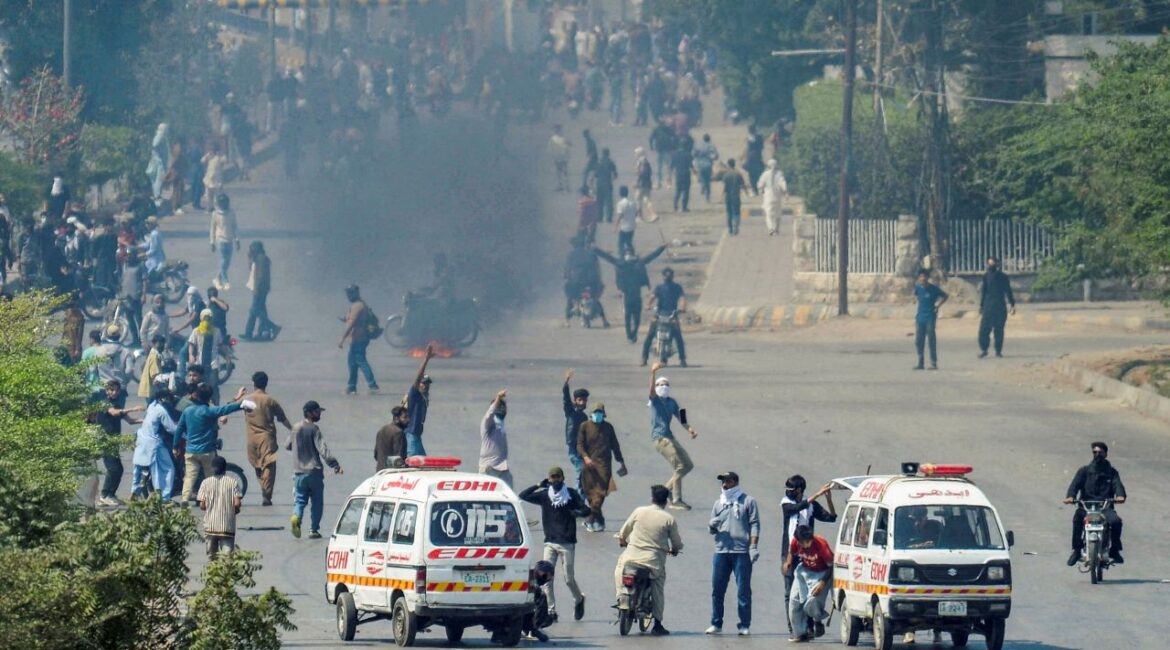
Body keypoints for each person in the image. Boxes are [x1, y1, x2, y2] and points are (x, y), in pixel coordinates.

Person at [519, 467, 591, 623]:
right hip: (550, 542)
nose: (555, 480)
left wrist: (578, 513)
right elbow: (523, 495)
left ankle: (579, 599)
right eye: (552, 478)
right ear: (548, 479)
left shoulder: (571, 494)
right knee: (545, 579)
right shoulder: (545, 496)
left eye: (558, 477)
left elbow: (587, 510)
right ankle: (551, 611)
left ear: (563, 478)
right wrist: (538, 485)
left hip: (567, 543)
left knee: (569, 579)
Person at [614, 484, 683, 636]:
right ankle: (657, 623)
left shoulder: (639, 511)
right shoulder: (668, 519)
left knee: (620, 568)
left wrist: (622, 540)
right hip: (653, 562)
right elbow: (676, 543)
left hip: (631, 557)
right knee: (658, 587)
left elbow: (624, 532)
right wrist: (676, 550)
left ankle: (620, 597)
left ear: (652, 498)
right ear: (665, 501)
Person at [705, 471, 760, 636]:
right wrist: (711, 525)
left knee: (743, 590)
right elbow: (711, 529)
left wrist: (753, 546)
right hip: (721, 551)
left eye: (727, 481)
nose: (724, 485)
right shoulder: (718, 503)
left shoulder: (748, 501)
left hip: (741, 551)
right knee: (717, 589)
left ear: (735, 482)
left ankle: (744, 624)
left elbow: (755, 524)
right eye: (722, 481)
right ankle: (716, 623)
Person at [780, 475, 837, 633]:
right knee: (789, 592)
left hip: (808, 551)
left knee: (809, 591)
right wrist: (817, 494)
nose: (788, 492)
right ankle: (794, 627)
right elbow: (796, 508)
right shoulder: (786, 504)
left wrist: (828, 499)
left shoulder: (812, 506)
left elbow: (831, 518)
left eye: (791, 489)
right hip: (790, 551)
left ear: (799, 490)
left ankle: (810, 625)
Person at [176, 383, 250, 503]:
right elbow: (226, 409)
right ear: (209, 397)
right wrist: (241, 405)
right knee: (211, 477)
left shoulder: (188, 411)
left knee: (189, 477)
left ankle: (184, 499)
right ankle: (212, 500)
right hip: (207, 451)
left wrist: (175, 446)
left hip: (190, 451)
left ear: (197, 396)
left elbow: (179, 429)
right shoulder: (210, 411)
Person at [287, 400, 343, 539]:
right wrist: (335, 465)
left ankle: (296, 517)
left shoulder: (295, 427)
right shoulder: (314, 429)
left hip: (299, 472)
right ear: (310, 413)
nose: (319, 414)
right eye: (317, 412)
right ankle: (313, 530)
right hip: (314, 472)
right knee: (317, 502)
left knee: (300, 501)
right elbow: (323, 450)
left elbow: (287, 445)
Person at [1064, 441, 1126, 565]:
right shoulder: (1084, 471)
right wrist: (1070, 497)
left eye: (1100, 452)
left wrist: (1120, 496)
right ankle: (1076, 551)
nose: (1097, 455)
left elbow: (1118, 486)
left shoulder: (1112, 472)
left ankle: (1114, 550)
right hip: (1086, 507)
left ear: (1106, 454)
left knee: (1116, 522)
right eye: (1095, 452)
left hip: (1105, 507)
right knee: (1077, 520)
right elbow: (1074, 486)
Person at [647, 363, 697, 510]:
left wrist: (690, 429)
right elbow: (650, 390)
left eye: (666, 384)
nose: (664, 386)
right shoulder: (655, 401)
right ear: (656, 387)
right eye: (661, 384)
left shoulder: (672, 402)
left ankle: (670, 494)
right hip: (660, 438)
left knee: (688, 465)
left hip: (670, 437)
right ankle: (673, 497)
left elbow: (682, 417)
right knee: (680, 467)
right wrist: (653, 372)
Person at [596, 244, 667, 343]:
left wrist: (595, 249)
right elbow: (652, 256)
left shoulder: (620, 263)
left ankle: (630, 336)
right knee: (636, 317)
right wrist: (662, 248)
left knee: (628, 317)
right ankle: (632, 334)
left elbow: (607, 257)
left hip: (627, 296)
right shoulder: (639, 263)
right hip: (636, 295)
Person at [243, 371, 293, 506]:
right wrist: (293, 430)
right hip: (267, 438)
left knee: (257, 464)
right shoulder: (270, 400)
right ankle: (267, 493)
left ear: (254, 384)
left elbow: (231, 406)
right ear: (266, 384)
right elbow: (282, 419)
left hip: (251, 438)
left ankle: (264, 489)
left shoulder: (247, 400)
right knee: (269, 465)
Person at [576, 402, 628, 532]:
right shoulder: (584, 426)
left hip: (604, 467)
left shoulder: (608, 427)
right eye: (595, 413)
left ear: (603, 414)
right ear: (591, 414)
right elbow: (579, 445)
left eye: (600, 413)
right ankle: (597, 519)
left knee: (600, 495)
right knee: (590, 494)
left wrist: (621, 462)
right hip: (588, 467)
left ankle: (591, 519)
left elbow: (615, 446)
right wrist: (586, 457)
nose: (597, 415)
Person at [94, 379, 144, 507]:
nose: (114, 392)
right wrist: (133, 408)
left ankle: (111, 494)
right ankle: (104, 495)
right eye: (111, 390)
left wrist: (146, 420)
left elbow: (131, 421)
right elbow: (114, 413)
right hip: (106, 441)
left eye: (116, 390)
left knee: (119, 469)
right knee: (113, 468)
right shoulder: (104, 403)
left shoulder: (117, 405)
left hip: (114, 441)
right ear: (106, 391)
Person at [783, 525, 834, 643]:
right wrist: (788, 563)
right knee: (794, 601)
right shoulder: (796, 541)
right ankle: (800, 633)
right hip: (804, 571)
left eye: (808, 542)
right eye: (804, 543)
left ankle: (817, 620)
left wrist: (823, 583)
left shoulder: (821, 545)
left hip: (822, 574)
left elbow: (832, 566)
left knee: (812, 601)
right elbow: (791, 552)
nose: (806, 545)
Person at [131, 388, 180, 502]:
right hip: (154, 444)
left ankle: (135, 491)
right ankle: (163, 497)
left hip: (141, 440)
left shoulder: (151, 406)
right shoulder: (161, 410)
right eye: (168, 399)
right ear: (163, 399)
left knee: (137, 469)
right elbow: (171, 428)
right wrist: (186, 433)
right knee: (166, 469)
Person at [198, 455, 243, 558]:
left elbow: (202, 505)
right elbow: (237, 503)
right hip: (227, 526)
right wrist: (234, 510)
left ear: (213, 468)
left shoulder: (205, 483)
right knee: (227, 559)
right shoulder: (233, 482)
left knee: (212, 558)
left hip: (210, 526)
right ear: (225, 468)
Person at [641, 267, 688, 366]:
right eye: (666, 275)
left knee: (678, 338)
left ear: (672, 276)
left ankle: (682, 359)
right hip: (659, 314)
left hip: (672, 315)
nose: (668, 277)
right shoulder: (659, 287)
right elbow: (653, 297)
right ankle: (644, 358)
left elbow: (682, 298)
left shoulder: (677, 287)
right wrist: (648, 305)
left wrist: (682, 308)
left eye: (669, 275)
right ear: (663, 276)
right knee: (649, 336)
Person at [338, 284, 379, 395]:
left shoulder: (357, 306)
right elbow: (351, 319)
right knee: (352, 362)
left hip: (359, 339)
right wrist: (344, 318)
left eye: (350, 293)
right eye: (347, 293)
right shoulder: (360, 305)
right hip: (359, 339)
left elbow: (352, 323)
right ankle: (351, 386)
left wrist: (342, 339)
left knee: (360, 360)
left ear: (355, 293)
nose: (348, 296)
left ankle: (372, 385)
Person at [978, 256, 1016, 358]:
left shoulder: (1003, 277)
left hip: (1000, 306)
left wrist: (1012, 304)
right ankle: (984, 349)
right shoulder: (985, 276)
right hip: (988, 306)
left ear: (997, 264)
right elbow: (984, 292)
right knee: (984, 329)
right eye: (989, 264)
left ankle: (998, 351)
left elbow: (1008, 291)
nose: (991, 266)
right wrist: (981, 306)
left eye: (993, 264)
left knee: (999, 330)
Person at [243, 241, 280, 340]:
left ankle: (272, 327)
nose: (251, 250)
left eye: (252, 248)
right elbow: (251, 269)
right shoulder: (256, 258)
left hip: (260, 289)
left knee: (254, 311)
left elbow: (261, 276)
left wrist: (257, 289)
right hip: (256, 288)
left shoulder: (262, 259)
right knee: (260, 311)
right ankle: (261, 332)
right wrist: (249, 258)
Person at [402, 344, 434, 457]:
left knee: (424, 463)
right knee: (414, 462)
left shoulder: (424, 397)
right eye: (423, 383)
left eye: (427, 384)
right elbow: (417, 378)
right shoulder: (415, 394)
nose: (425, 386)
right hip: (411, 434)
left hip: (416, 435)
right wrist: (426, 359)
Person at [913, 270, 949, 370]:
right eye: (921, 277)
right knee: (919, 341)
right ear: (918, 278)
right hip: (920, 317)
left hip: (930, 317)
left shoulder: (933, 289)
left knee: (931, 340)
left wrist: (938, 305)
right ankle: (920, 363)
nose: (922, 279)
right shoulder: (917, 288)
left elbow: (945, 296)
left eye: (924, 277)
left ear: (927, 278)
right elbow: (916, 295)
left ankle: (933, 363)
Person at [186, 309, 224, 402]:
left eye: (209, 318)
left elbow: (220, 345)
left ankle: (215, 404)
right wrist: (191, 355)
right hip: (200, 363)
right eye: (205, 318)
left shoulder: (216, 331)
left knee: (213, 386)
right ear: (201, 319)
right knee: (198, 385)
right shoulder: (196, 331)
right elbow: (191, 344)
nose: (207, 321)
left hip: (213, 364)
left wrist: (227, 356)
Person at [561, 369, 589, 485]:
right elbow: (566, 399)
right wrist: (566, 383)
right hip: (574, 448)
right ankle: (579, 496)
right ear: (575, 401)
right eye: (580, 400)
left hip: (582, 449)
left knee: (585, 473)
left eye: (584, 400)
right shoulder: (571, 411)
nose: (582, 402)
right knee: (581, 472)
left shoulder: (584, 416)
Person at [479, 390, 511, 486]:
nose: (501, 408)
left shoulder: (501, 424)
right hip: (489, 469)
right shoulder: (488, 422)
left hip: (503, 469)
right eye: (499, 406)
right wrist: (498, 397)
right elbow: (491, 412)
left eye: (503, 406)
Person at [209, 192, 239, 290]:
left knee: (227, 262)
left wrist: (237, 240)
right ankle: (225, 281)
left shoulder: (231, 213)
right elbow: (212, 229)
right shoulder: (215, 214)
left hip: (229, 240)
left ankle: (217, 278)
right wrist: (212, 242)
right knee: (223, 261)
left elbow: (234, 227)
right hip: (220, 240)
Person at [757, 159, 787, 236]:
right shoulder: (780, 174)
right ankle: (776, 229)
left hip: (768, 196)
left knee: (768, 214)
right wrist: (785, 192)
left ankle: (771, 228)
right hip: (777, 196)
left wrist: (760, 191)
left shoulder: (765, 174)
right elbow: (783, 183)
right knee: (778, 213)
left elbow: (760, 185)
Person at [375, 405, 409, 470]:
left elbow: (376, 455)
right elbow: (398, 458)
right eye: (405, 417)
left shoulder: (381, 430)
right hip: (391, 472)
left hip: (380, 470)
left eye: (408, 417)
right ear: (396, 419)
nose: (408, 420)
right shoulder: (399, 433)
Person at [720, 159, 747, 236]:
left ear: (728, 165)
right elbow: (743, 185)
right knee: (737, 212)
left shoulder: (726, 175)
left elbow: (724, 187)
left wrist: (721, 197)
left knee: (729, 213)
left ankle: (730, 229)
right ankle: (736, 227)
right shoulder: (738, 174)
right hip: (736, 196)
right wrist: (746, 193)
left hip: (728, 197)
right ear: (734, 164)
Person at [649, 119, 676, 189]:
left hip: (665, 150)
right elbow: (651, 138)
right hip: (660, 150)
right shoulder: (658, 130)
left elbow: (675, 137)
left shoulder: (666, 129)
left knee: (667, 167)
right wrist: (651, 147)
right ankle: (660, 183)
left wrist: (673, 147)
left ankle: (666, 183)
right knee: (660, 168)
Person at [201, 142, 227, 212]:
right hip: (209, 179)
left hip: (217, 179)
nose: (211, 151)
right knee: (208, 195)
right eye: (210, 149)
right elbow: (202, 161)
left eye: (213, 149)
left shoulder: (219, 157)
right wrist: (207, 156)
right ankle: (209, 207)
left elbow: (224, 160)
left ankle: (217, 208)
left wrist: (219, 155)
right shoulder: (209, 156)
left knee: (217, 195)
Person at [693, 134, 719, 203]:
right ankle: (707, 198)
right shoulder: (712, 146)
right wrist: (712, 158)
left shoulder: (698, 146)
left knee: (701, 178)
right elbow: (716, 156)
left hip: (700, 165)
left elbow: (693, 154)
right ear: (709, 139)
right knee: (708, 181)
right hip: (708, 165)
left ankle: (703, 185)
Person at [614, 186, 638, 257]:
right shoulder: (633, 203)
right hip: (632, 226)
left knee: (621, 243)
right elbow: (636, 214)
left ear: (620, 193)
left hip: (624, 227)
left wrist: (616, 226)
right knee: (629, 242)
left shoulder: (620, 203)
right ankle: (632, 254)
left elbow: (620, 216)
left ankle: (622, 256)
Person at [595, 148, 618, 223]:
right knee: (609, 202)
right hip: (608, 183)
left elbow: (596, 174)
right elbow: (615, 174)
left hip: (599, 184)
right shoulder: (611, 162)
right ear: (608, 154)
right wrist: (612, 179)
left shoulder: (598, 162)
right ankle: (609, 218)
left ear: (602, 153)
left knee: (599, 202)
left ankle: (599, 218)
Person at [670, 140, 693, 212]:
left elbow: (671, 166)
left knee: (678, 191)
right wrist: (695, 171)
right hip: (686, 174)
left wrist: (669, 175)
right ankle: (684, 207)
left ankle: (675, 207)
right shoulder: (688, 154)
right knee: (686, 191)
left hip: (678, 174)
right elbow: (691, 165)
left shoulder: (674, 154)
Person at [742, 125, 765, 194]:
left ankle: (755, 190)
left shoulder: (749, 139)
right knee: (759, 173)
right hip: (758, 157)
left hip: (751, 158)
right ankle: (759, 188)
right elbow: (762, 147)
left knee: (752, 175)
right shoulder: (759, 137)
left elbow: (747, 149)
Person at [549, 125, 571, 192]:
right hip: (561, 158)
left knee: (561, 173)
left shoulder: (554, 138)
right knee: (563, 173)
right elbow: (569, 145)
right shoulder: (563, 138)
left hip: (560, 158)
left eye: (556, 129)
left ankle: (564, 186)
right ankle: (565, 187)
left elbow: (551, 149)